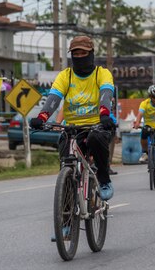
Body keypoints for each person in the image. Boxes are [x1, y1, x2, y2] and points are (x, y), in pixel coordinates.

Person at [29, 35, 116, 200]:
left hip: (97, 126)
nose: (80, 57)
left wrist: (104, 114)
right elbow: (54, 98)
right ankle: (66, 213)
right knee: (66, 161)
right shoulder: (65, 76)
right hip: (72, 128)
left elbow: (106, 94)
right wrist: (42, 117)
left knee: (96, 138)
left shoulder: (101, 73)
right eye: (76, 54)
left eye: (84, 53)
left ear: (91, 53)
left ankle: (104, 180)